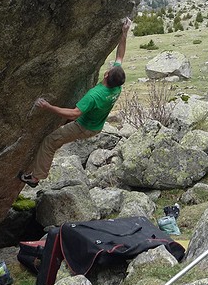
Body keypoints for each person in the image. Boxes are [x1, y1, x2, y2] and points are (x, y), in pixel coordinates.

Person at [18, 18, 131, 187]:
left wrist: (47, 106)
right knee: (67, 123)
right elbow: (120, 56)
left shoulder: (94, 95)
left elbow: (74, 113)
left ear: (107, 75)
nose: (109, 68)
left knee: (50, 142)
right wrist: (124, 34)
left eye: (108, 69)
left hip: (84, 127)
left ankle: (35, 178)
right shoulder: (116, 87)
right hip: (95, 124)